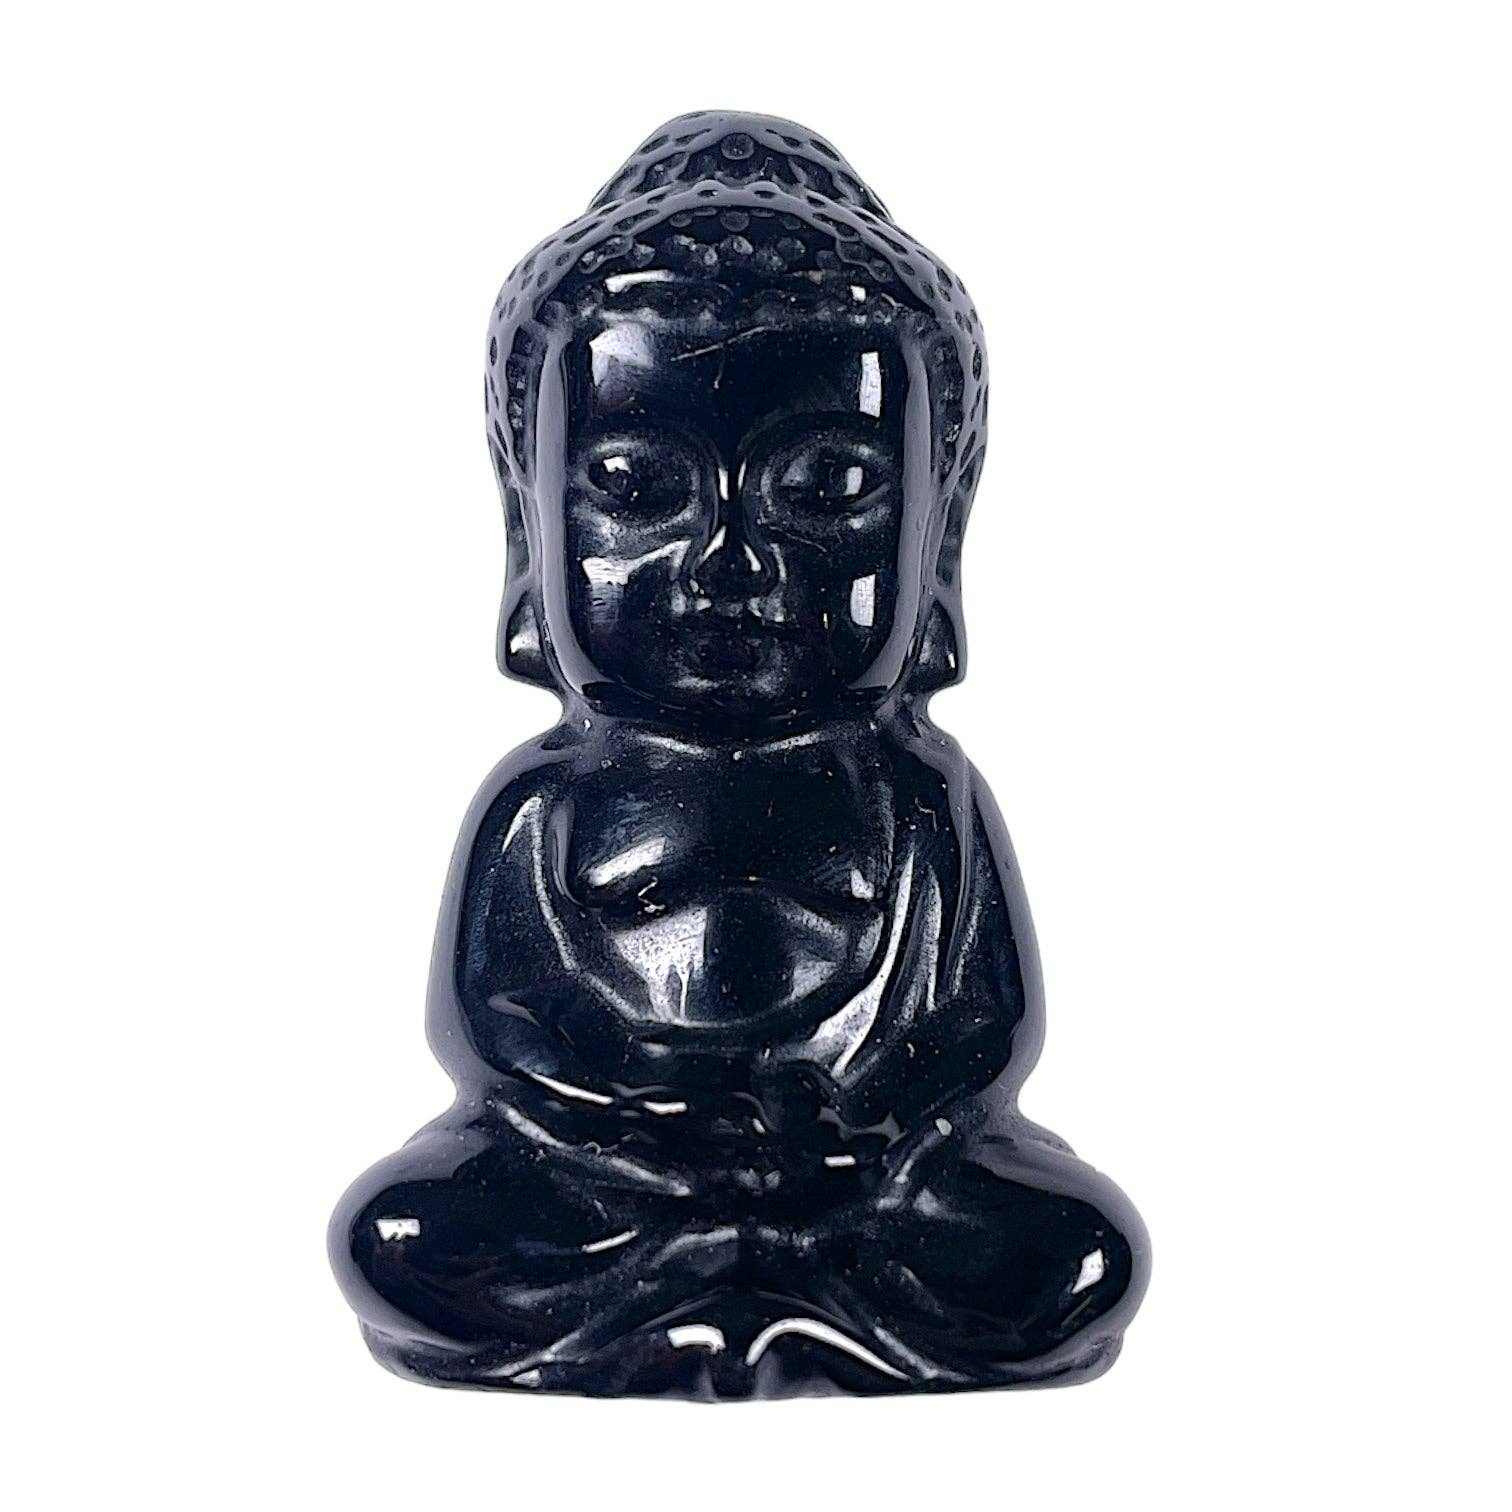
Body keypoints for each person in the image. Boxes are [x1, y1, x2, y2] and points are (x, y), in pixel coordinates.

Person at [330, 112, 1149, 1397]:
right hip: (606, 1175)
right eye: (633, 485)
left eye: (826, 489)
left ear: (933, 537)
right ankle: (763, 1305)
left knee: (1078, 1253)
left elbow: (981, 1036)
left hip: (864, 1177)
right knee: (402, 1235)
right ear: (531, 534)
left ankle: (721, 1303)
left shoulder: (921, 797)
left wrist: (858, 1127)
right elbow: (491, 1040)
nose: (726, 563)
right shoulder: (542, 803)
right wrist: (646, 1127)